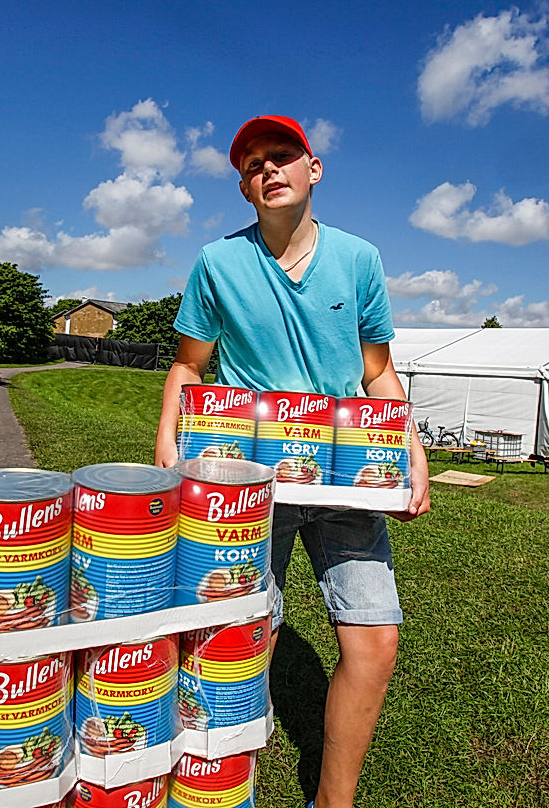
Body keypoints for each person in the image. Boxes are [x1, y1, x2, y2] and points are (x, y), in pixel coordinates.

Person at [155, 115, 430, 808]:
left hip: (348, 479)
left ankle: (332, 802)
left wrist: (412, 450)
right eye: (252, 165)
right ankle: (225, 786)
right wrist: (168, 440)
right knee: (243, 636)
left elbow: (378, 373)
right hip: (250, 483)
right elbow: (190, 364)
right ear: (244, 188)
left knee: (376, 643)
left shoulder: (359, 259)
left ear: (314, 168)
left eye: (282, 156)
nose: (268, 169)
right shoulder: (218, 262)